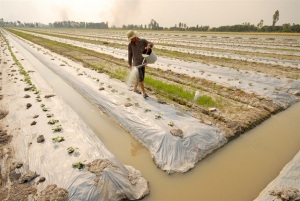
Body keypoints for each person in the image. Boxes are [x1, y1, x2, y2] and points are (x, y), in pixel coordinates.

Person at [127, 30, 153, 98]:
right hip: (136, 63)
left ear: (135, 36)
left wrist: (149, 46)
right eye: (130, 39)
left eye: (132, 38)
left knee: (140, 77)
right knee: (140, 78)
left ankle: (135, 89)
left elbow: (151, 43)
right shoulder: (130, 45)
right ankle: (143, 92)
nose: (131, 40)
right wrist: (130, 64)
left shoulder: (143, 41)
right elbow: (130, 55)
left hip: (143, 62)